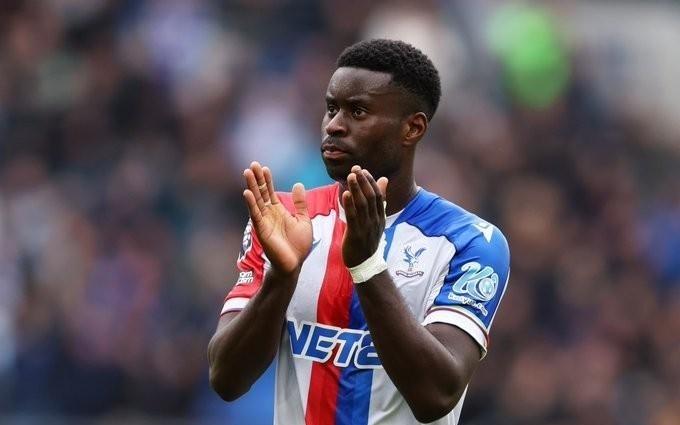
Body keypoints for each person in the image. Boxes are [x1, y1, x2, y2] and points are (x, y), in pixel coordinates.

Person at [208, 39, 510, 425]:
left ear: (413, 128)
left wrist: (367, 267)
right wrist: (280, 278)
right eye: (331, 107)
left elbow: (436, 395)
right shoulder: (284, 221)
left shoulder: (470, 242)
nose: (334, 125)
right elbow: (226, 379)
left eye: (358, 111)